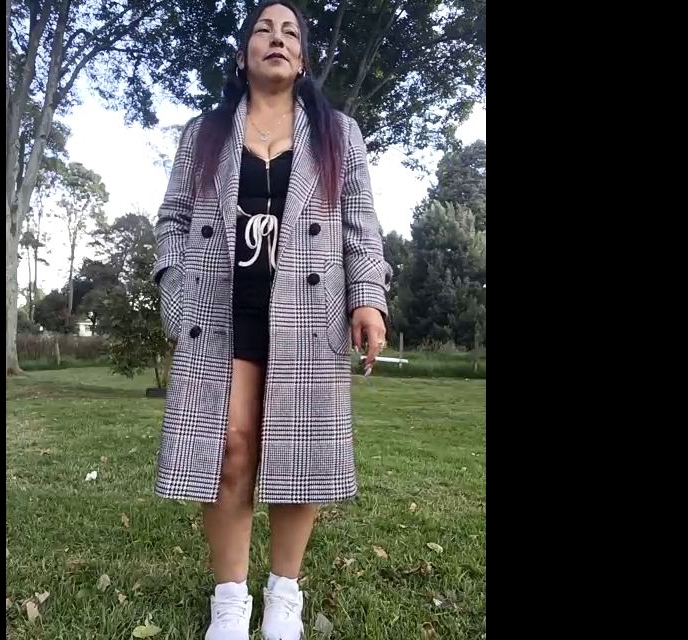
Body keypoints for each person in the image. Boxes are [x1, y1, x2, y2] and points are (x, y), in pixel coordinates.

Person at [152, 2, 391, 638]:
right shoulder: (202, 133)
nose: (277, 39)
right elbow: (173, 219)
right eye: (263, 30)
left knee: (297, 451)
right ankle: (230, 599)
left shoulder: (339, 133)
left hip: (309, 313)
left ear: (303, 58)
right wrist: (174, 286)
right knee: (230, 448)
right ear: (243, 55)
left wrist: (368, 297)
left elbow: (361, 226)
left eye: (290, 33)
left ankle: (284, 592)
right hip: (220, 310)